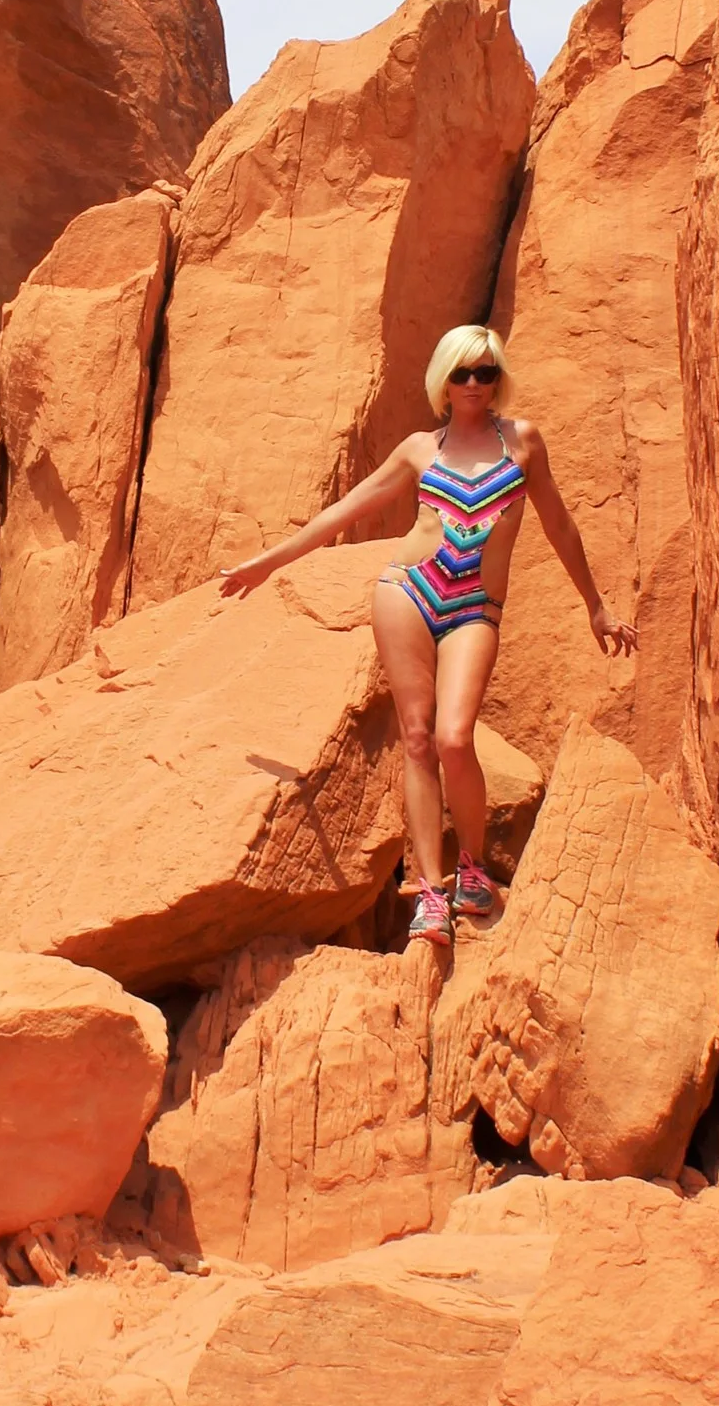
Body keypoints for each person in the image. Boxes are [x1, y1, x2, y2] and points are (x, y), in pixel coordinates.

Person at [217, 322, 634, 944]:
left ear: (499, 379)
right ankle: (431, 893)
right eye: (462, 373)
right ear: (444, 379)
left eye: (486, 372)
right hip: (408, 591)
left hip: (475, 606)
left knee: (454, 737)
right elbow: (345, 509)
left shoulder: (523, 443)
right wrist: (269, 560)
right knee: (417, 739)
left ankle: (472, 868)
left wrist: (595, 606)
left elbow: (560, 525)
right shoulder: (420, 448)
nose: (474, 384)